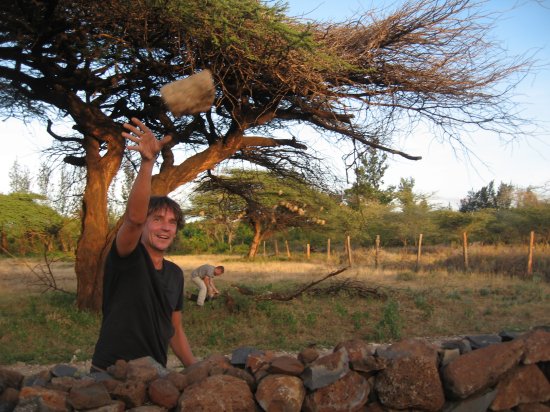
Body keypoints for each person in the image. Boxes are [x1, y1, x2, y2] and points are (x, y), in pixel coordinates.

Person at [91, 118, 196, 371]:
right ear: (146, 224)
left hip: (154, 374)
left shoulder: (174, 274)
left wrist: (195, 370)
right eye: (157, 219)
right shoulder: (126, 256)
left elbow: (174, 330)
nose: (165, 227)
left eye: (171, 222)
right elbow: (134, 219)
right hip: (110, 373)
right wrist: (148, 163)